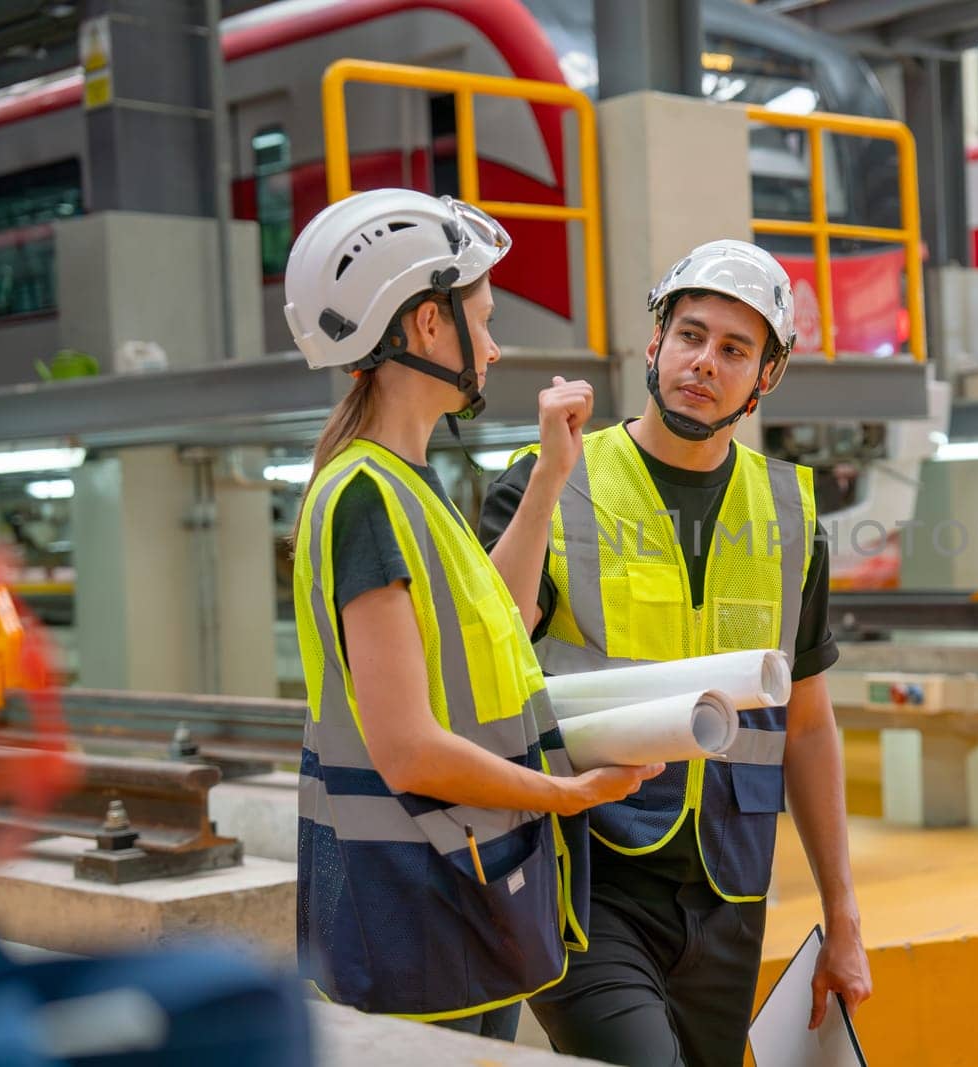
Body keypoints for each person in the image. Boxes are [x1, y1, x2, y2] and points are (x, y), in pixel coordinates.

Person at [479, 238, 872, 1065]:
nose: (705, 362)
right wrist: (548, 482)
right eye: (691, 335)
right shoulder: (551, 481)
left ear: (767, 376)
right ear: (654, 343)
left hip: (730, 891)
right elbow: (486, 640)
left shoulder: (789, 513)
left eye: (735, 349)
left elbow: (805, 726)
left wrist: (844, 919)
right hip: (586, 871)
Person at [282, 188, 661, 1037]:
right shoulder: (365, 498)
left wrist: (552, 478)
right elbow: (407, 749)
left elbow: (505, 615)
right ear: (424, 325)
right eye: (480, 319)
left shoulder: (407, 484)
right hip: (416, 908)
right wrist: (565, 795)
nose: (491, 345)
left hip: (460, 887)